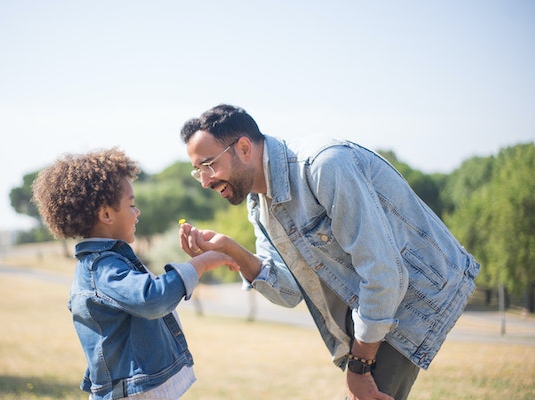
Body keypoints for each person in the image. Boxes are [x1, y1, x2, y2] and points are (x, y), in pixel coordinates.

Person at [178, 104, 480, 400]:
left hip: (412, 297)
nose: (205, 181)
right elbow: (288, 293)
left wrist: (359, 366)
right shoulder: (259, 205)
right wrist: (232, 252)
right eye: (197, 171)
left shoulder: (324, 165)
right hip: (376, 305)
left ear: (244, 148)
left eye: (209, 165)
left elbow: (383, 273)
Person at [32, 147, 238, 400]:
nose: (137, 211)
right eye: (131, 204)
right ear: (106, 214)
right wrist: (201, 264)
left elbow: (149, 293)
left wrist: (193, 263)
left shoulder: (109, 262)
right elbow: (151, 299)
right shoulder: (102, 267)